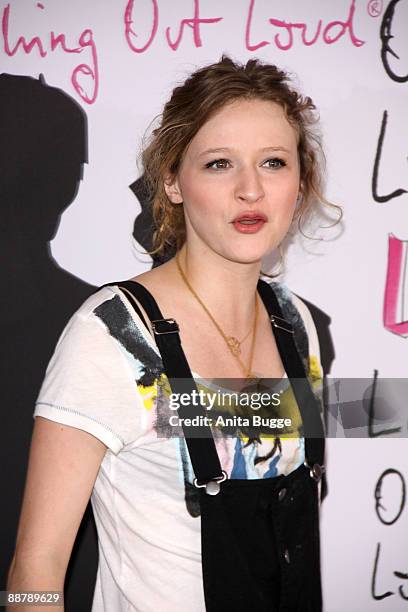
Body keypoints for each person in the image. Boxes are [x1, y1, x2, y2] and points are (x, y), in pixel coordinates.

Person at [7, 55, 341, 611]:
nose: (250, 190)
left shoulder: (296, 325)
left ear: (300, 181)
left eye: (274, 162)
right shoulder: (112, 335)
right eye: (218, 164)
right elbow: (35, 566)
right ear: (172, 181)